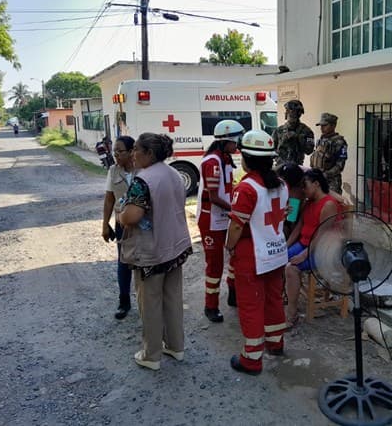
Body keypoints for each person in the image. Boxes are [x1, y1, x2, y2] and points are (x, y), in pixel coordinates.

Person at [119, 133, 192, 371]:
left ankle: (151, 355)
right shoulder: (173, 173)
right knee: (172, 298)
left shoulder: (143, 180)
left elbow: (131, 216)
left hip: (152, 250)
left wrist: (120, 214)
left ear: (149, 153)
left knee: (149, 303)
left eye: (136, 149)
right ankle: (175, 346)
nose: (133, 154)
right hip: (176, 245)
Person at [225, 130, 289, 375]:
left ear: (246, 159)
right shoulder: (281, 185)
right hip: (276, 251)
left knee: (250, 304)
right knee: (273, 299)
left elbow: (237, 226)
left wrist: (229, 246)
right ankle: (276, 343)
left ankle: (251, 359)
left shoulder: (246, 188)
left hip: (251, 254)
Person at [196, 120, 245, 323]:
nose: (238, 146)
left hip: (222, 217)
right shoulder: (212, 163)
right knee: (214, 263)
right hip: (211, 219)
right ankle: (211, 305)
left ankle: (233, 294)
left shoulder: (223, 159)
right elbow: (214, 197)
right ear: (227, 141)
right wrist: (236, 211)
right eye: (236, 142)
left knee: (235, 255)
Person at [284, 168, 340, 328]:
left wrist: (303, 255)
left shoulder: (328, 204)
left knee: (291, 268)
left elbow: (321, 236)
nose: (303, 190)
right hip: (304, 244)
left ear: (316, 184)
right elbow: (299, 227)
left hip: (323, 250)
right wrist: (285, 246)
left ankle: (292, 315)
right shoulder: (309, 202)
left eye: (305, 185)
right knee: (278, 259)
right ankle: (284, 298)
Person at [101, 135, 135, 319]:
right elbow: (109, 199)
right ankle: (124, 301)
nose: (116, 155)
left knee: (143, 261)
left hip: (142, 225)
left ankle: (147, 300)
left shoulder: (143, 170)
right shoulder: (113, 171)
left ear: (131, 152)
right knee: (123, 262)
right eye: (114, 151)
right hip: (122, 223)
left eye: (120, 151)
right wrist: (105, 224)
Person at [310, 113, 348, 194]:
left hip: (332, 182)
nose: (322, 128)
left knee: (333, 203)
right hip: (318, 180)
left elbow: (340, 165)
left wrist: (326, 175)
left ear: (333, 125)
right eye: (321, 126)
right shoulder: (321, 140)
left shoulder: (339, 142)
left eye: (325, 125)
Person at [272, 99, 314, 168]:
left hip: (297, 168)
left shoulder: (306, 131)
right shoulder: (278, 130)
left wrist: (298, 138)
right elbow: (272, 151)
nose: (290, 114)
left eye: (294, 113)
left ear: (299, 114)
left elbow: (309, 151)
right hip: (280, 167)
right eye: (288, 112)